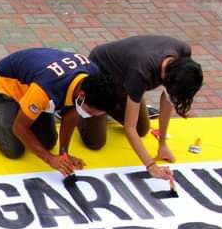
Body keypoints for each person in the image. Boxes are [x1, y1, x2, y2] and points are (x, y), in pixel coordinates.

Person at [0, 47, 117, 177]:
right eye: (90, 112)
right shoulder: (45, 90)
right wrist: (49, 159)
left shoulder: (92, 77)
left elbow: (71, 112)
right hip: (3, 87)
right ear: (82, 96)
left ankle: (26, 111)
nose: (89, 117)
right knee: (13, 149)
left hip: (33, 87)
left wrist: (63, 153)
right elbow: (19, 127)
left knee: (48, 142)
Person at [77, 36, 202, 182]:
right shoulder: (141, 71)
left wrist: (162, 144)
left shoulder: (182, 53)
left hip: (126, 81)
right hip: (101, 77)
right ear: (167, 78)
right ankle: (81, 106)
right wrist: (151, 165)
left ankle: (127, 101)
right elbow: (130, 129)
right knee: (95, 142)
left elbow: (168, 98)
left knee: (142, 129)